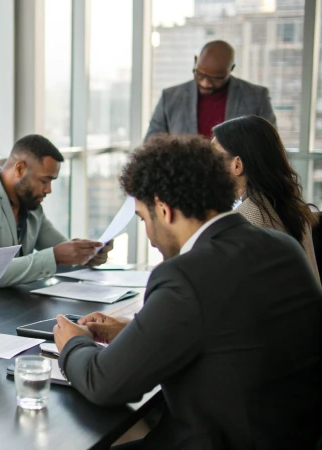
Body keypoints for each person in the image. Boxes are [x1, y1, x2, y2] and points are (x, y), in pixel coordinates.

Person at [53, 135, 322, 449]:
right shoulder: (282, 247)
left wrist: (73, 343)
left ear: (164, 210)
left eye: (143, 218)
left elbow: (104, 384)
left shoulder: (185, 275)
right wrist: (135, 332)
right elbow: (234, 333)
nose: (150, 236)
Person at [0, 134, 113, 288]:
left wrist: (86, 255)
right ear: (20, 169)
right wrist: (55, 256)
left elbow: (60, 249)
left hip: (13, 304)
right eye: (43, 180)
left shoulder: (30, 205)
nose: (48, 190)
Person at [212, 115, 320, 284]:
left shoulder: (244, 220)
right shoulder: (293, 207)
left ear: (237, 165)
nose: (208, 165)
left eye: (214, 157)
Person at [145, 40, 276, 142]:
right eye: (199, 74)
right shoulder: (170, 97)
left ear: (231, 69)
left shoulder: (257, 97)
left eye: (217, 79)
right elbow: (150, 146)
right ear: (196, 61)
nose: (206, 83)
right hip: (182, 175)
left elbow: (270, 147)